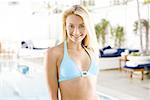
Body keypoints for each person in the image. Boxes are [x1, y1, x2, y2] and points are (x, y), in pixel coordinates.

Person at [46, 5, 99, 100]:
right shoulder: (54, 53)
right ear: (65, 26)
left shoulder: (91, 52)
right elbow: (53, 97)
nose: (76, 32)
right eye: (71, 26)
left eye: (82, 26)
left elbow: (92, 90)